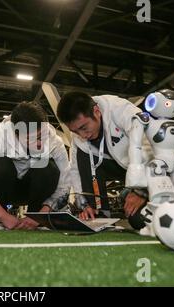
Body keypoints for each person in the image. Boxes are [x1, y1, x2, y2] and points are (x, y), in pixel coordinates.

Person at [0, 102, 72, 230]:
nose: (39, 144)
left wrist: (42, 214)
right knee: (0, 164)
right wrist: (2, 215)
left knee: (48, 168)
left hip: (35, 193)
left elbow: (65, 183)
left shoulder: (55, 141)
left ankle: (36, 217)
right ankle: (0, 220)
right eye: (31, 139)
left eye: (41, 136)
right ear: (16, 134)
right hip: (7, 191)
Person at [57, 92, 153, 228]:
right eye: (75, 131)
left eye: (83, 128)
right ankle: (98, 214)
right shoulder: (79, 138)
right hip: (109, 167)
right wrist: (84, 204)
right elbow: (76, 171)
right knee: (81, 156)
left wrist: (141, 191)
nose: (82, 136)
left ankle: (128, 192)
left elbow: (149, 147)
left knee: (141, 221)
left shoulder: (120, 109)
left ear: (96, 112)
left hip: (139, 170)